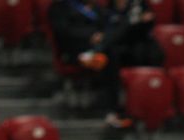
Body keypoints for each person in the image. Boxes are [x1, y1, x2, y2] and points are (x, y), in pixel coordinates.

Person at [47, 0, 131, 129]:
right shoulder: (60, 7)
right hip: (73, 52)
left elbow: (111, 24)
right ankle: (111, 109)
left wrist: (102, 37)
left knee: (114, 51)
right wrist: (90, 35)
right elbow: (63, 31)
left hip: (100, 49)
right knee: (109, 56)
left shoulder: (97, 9)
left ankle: (116, 109)